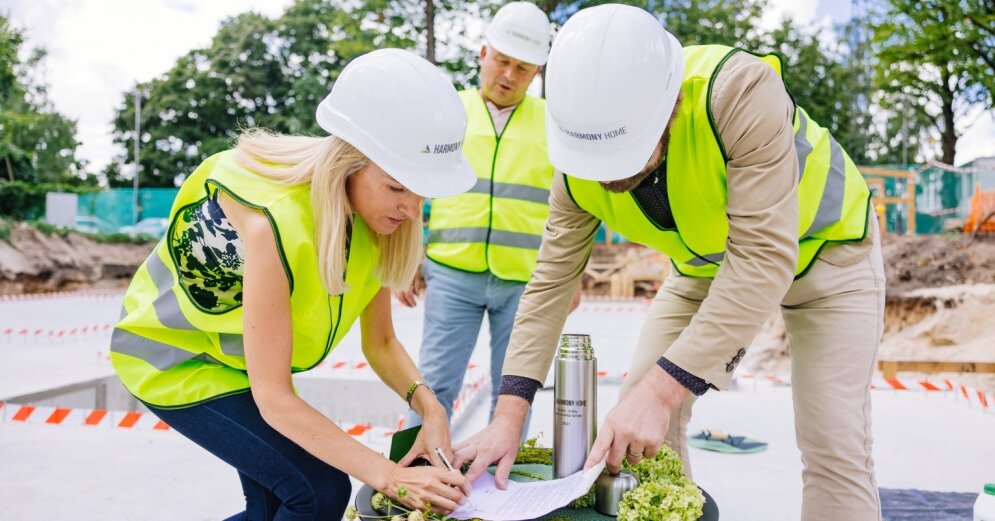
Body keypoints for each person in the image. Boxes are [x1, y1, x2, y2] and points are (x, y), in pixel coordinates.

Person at [454, 5, 885, 521]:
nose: (608, 174)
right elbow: (549, 285)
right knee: (636, 433)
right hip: (705, 268)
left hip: (828, 257)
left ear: (670, 102)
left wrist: (661, 394)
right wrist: (508, 414)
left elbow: (763, 257)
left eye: (625, 151)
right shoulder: (575, 163)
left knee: (831, 440)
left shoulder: (739, 91)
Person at [109, 49, 474, 520]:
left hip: (237, 365)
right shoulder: (273, 225)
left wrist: (433, 409)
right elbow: (275, 399)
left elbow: (381, 342)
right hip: (174, 361)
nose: (411, 209)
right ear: (350, 162)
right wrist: (388, 474)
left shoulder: (376, 220)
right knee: (317, 492)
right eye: (397, 186)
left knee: (288, 501)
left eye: (421, 192)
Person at [398, 2, 578, 427]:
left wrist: (572, 277)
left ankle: (504, 483)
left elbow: (577, 206)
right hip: (452, 273)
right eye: (502, 61)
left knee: (514, 393)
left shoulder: (554, 124)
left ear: (537, 73)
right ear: (483, 54)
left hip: (527, 282)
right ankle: (414, 477)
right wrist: (406, 260)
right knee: (434, 385)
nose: (509, 76)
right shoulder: (448, 112)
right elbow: (412, 188)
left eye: (523, 67)